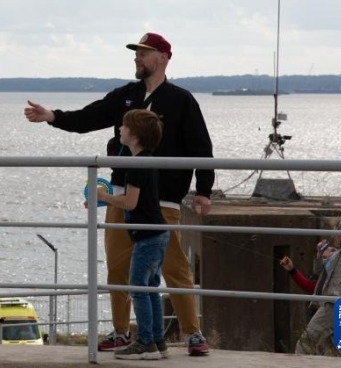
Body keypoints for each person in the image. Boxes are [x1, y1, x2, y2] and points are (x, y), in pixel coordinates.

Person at [24, 32, 214, 356]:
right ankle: (122, 331)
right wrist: (52, 117)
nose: (137, 58)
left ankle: (193, 333)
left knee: (173, 268)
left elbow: (201, 148)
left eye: (144, 53)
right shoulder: (125, 96)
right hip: (122, 195)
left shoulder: (181, 100)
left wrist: (204, 191)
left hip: (164, 201)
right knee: (117, 267)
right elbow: (89, 117)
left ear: (164, 57)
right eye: (136, 53)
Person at [94, 109, 170, 360]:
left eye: (124, 127)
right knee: (151, 289)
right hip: (157, 233)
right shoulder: (147, 160)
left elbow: (130, 202)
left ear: (134, 135)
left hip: (147, 237)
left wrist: (103, 197)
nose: (119, 129)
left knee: (138, 289)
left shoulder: (137, 164)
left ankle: (146, 343)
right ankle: (158, 342)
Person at [295, 195, 341, 356]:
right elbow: (318, 273)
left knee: (305, 342)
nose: (333, 235)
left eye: (337, 232)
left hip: (334, 303)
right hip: (329, 302)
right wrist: (319, 254)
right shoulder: (340, 254)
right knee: (330, 348)